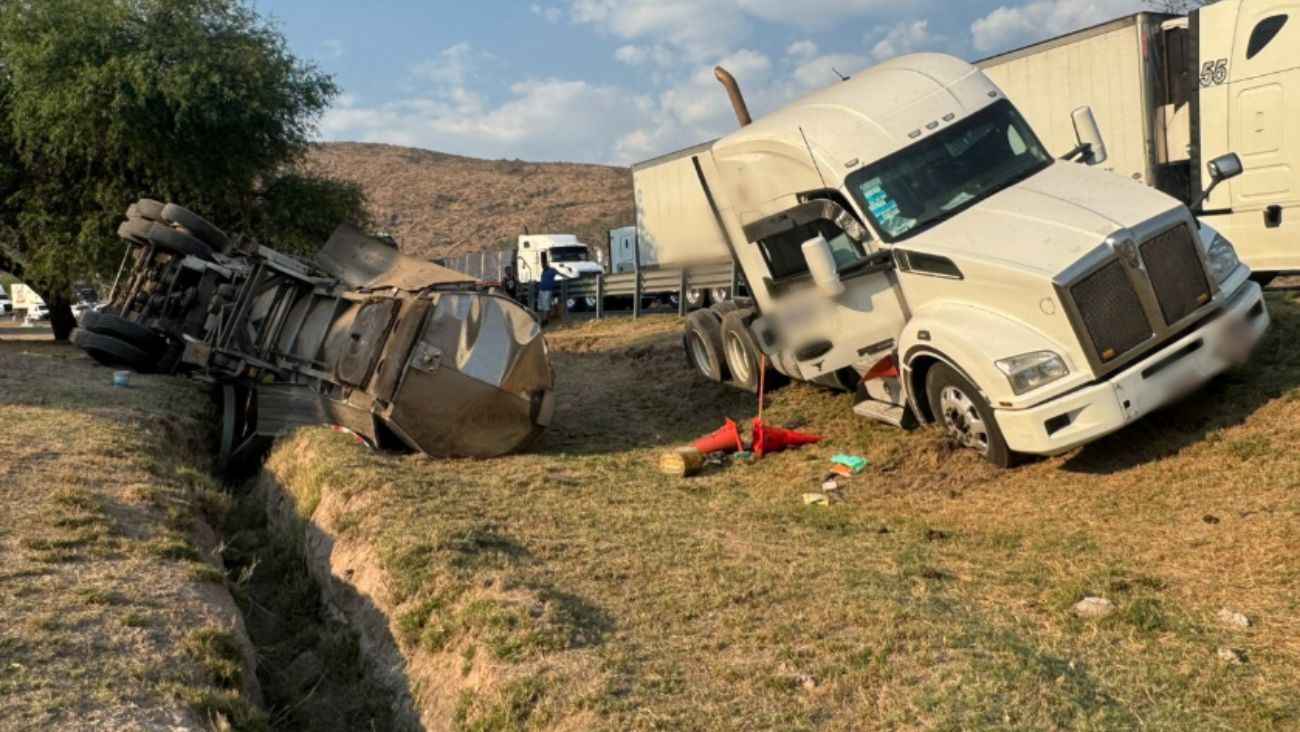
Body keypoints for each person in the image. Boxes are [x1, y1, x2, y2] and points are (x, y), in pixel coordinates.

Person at [537, 261, 558, 325]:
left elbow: (559, 273)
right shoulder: (544, 271)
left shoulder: (553, 270)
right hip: (542, 289)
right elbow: (542, 278)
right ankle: (541, 319)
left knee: (546, 305)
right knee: (541, 305)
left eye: (545, 264)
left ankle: (545, 319)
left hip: (548, 290)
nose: (544, 266)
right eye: (543, 265)